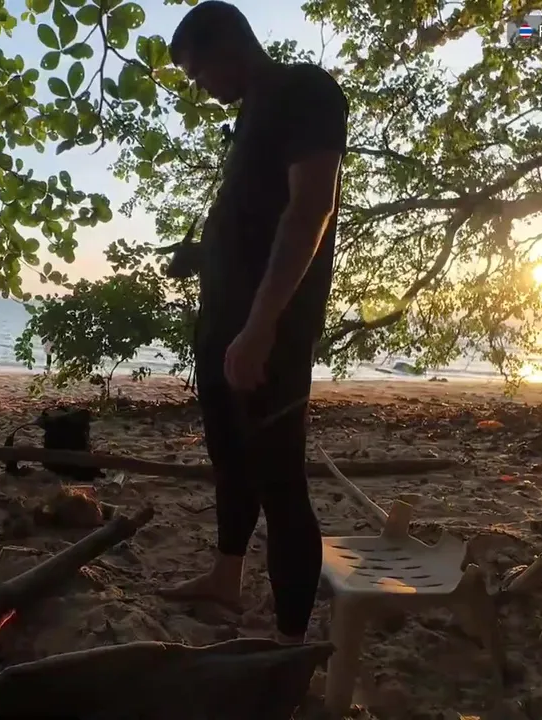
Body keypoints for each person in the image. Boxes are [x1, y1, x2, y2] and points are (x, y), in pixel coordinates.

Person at [159, 1, 348, 645]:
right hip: (223, 324)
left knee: (279, 480)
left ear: (228, 47)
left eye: (198, 72)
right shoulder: (248, 117)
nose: (199, 87)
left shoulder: (304, 90)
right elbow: (251, 218)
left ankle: (291, 644)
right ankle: (226, 577)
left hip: (270, 332)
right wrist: (200, 255)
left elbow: (310, 208)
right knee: (230, 460)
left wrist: (262, 325)